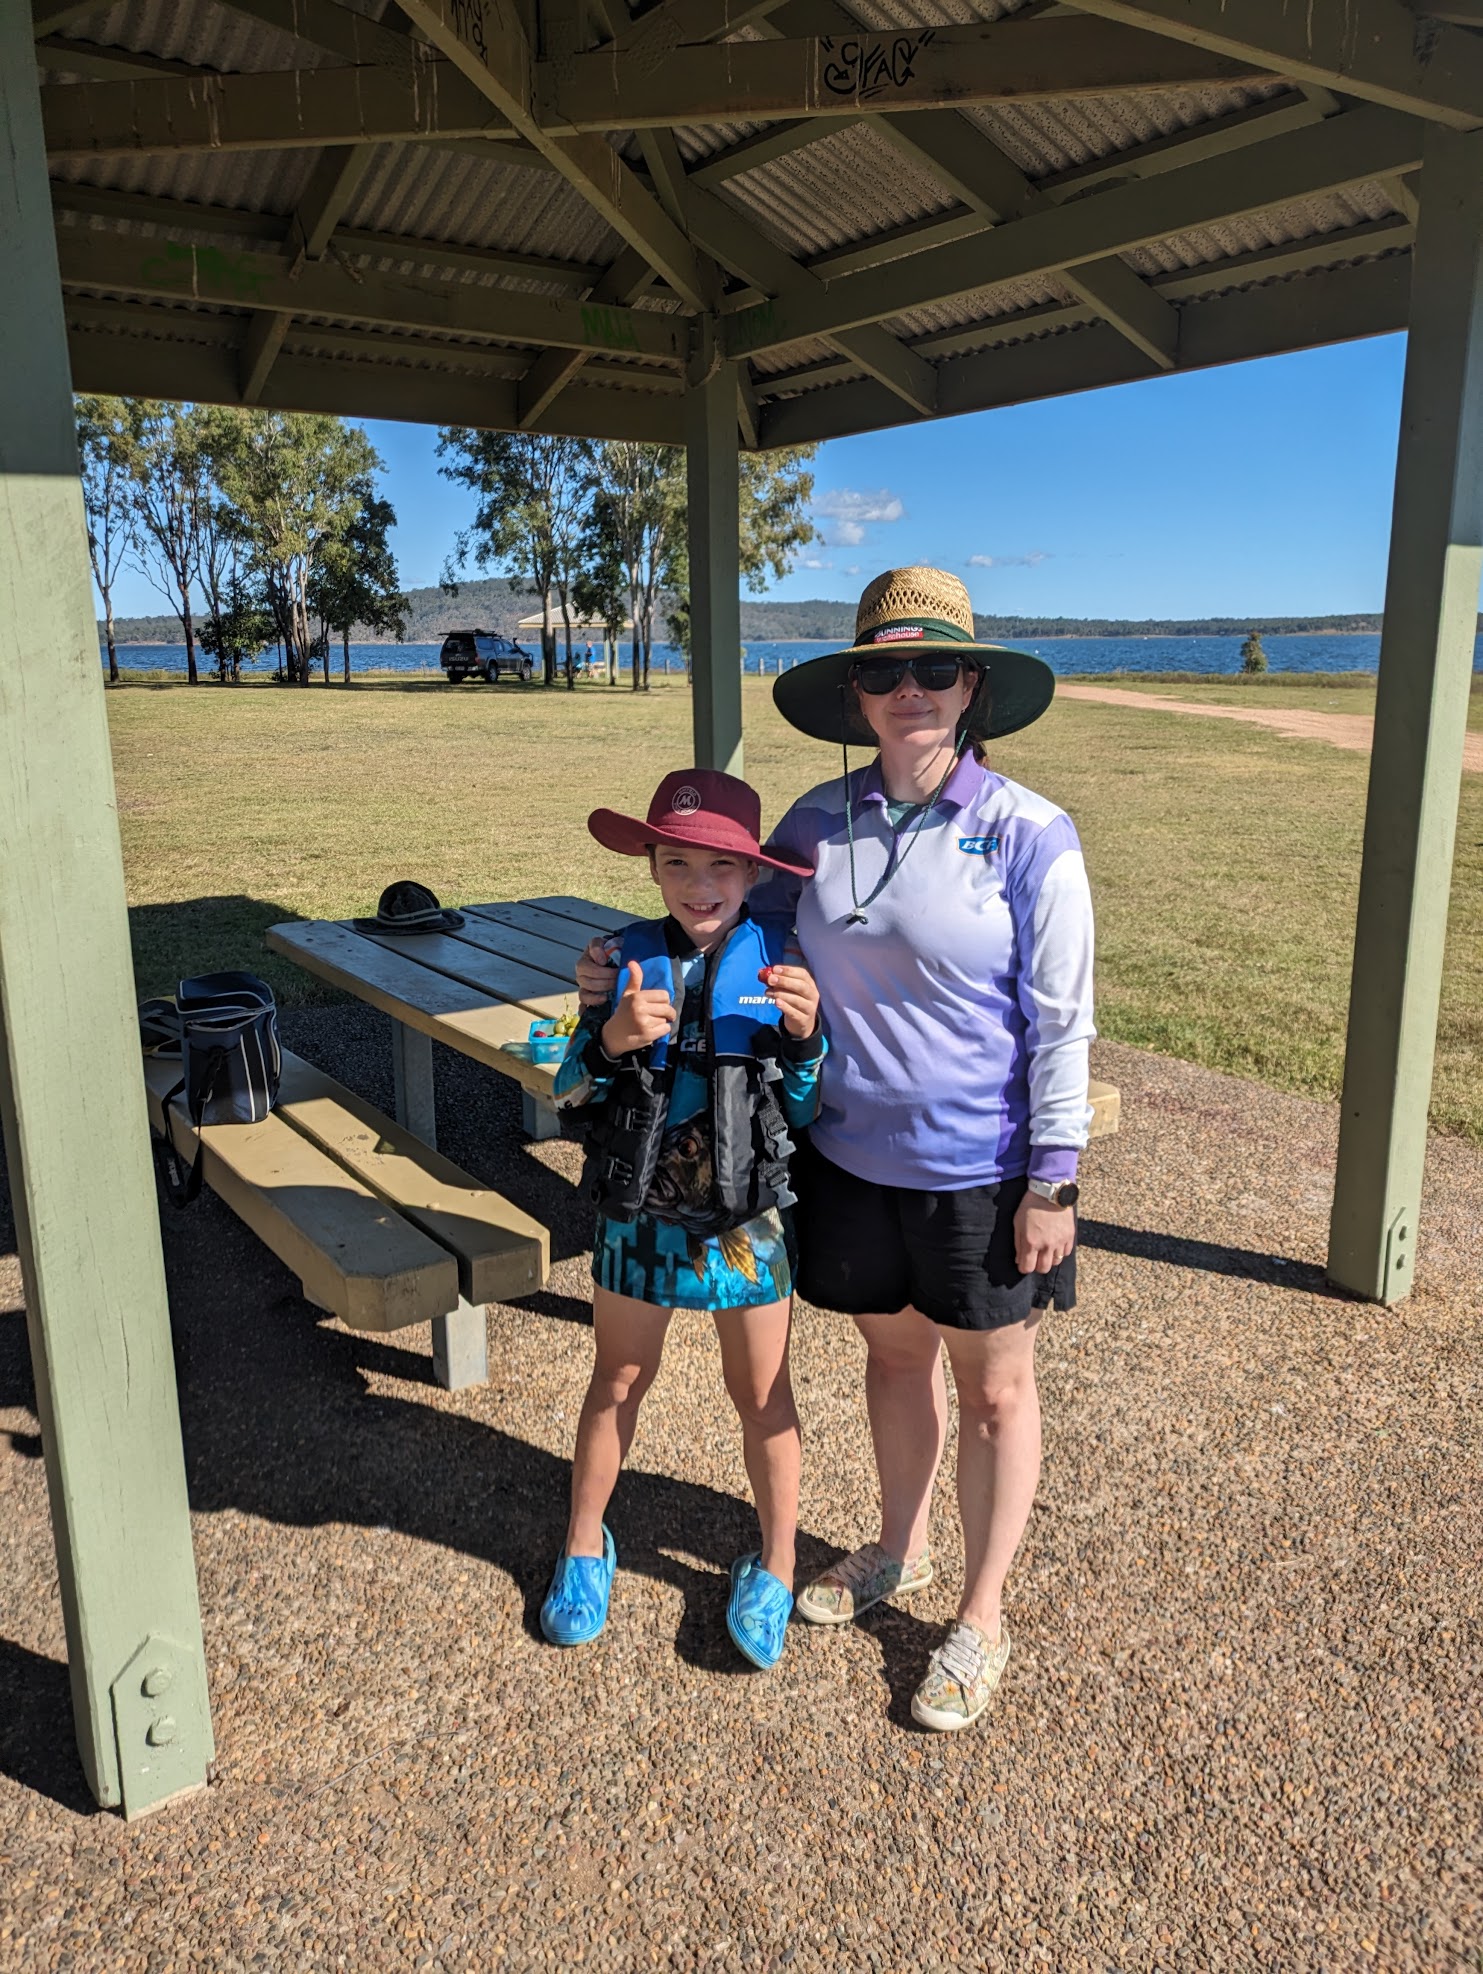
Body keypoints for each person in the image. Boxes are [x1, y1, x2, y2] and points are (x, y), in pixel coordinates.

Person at [575, 568, 1094, 1732]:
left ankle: (981, 1618)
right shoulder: (813, 825)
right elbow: (708, 909)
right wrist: (611, 967)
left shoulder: (1029, 833)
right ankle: (898, 1549)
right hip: (849, 1163)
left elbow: (1064, 1023)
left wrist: (1053, 1179)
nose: (910, 690)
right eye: (883, 671)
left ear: (971, 687)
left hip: (983, 1171)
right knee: (894, 1365)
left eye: (934, 668)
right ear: (856, 693)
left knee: (995, 1393)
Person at [544, 769, 826, 1670]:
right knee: (617, 1379)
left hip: (747, 1228)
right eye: (676, 864)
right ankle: (583, 1543)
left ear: (752, 875)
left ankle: (776, 1564)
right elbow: (566, 1086)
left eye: (720, 867)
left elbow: (805, 1107)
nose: (699, 885)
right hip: (640, 1217)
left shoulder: (783, 966)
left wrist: (807, 1037)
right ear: (651, 869)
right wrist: (607, 1036)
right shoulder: (618, 962)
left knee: (762, 1397)